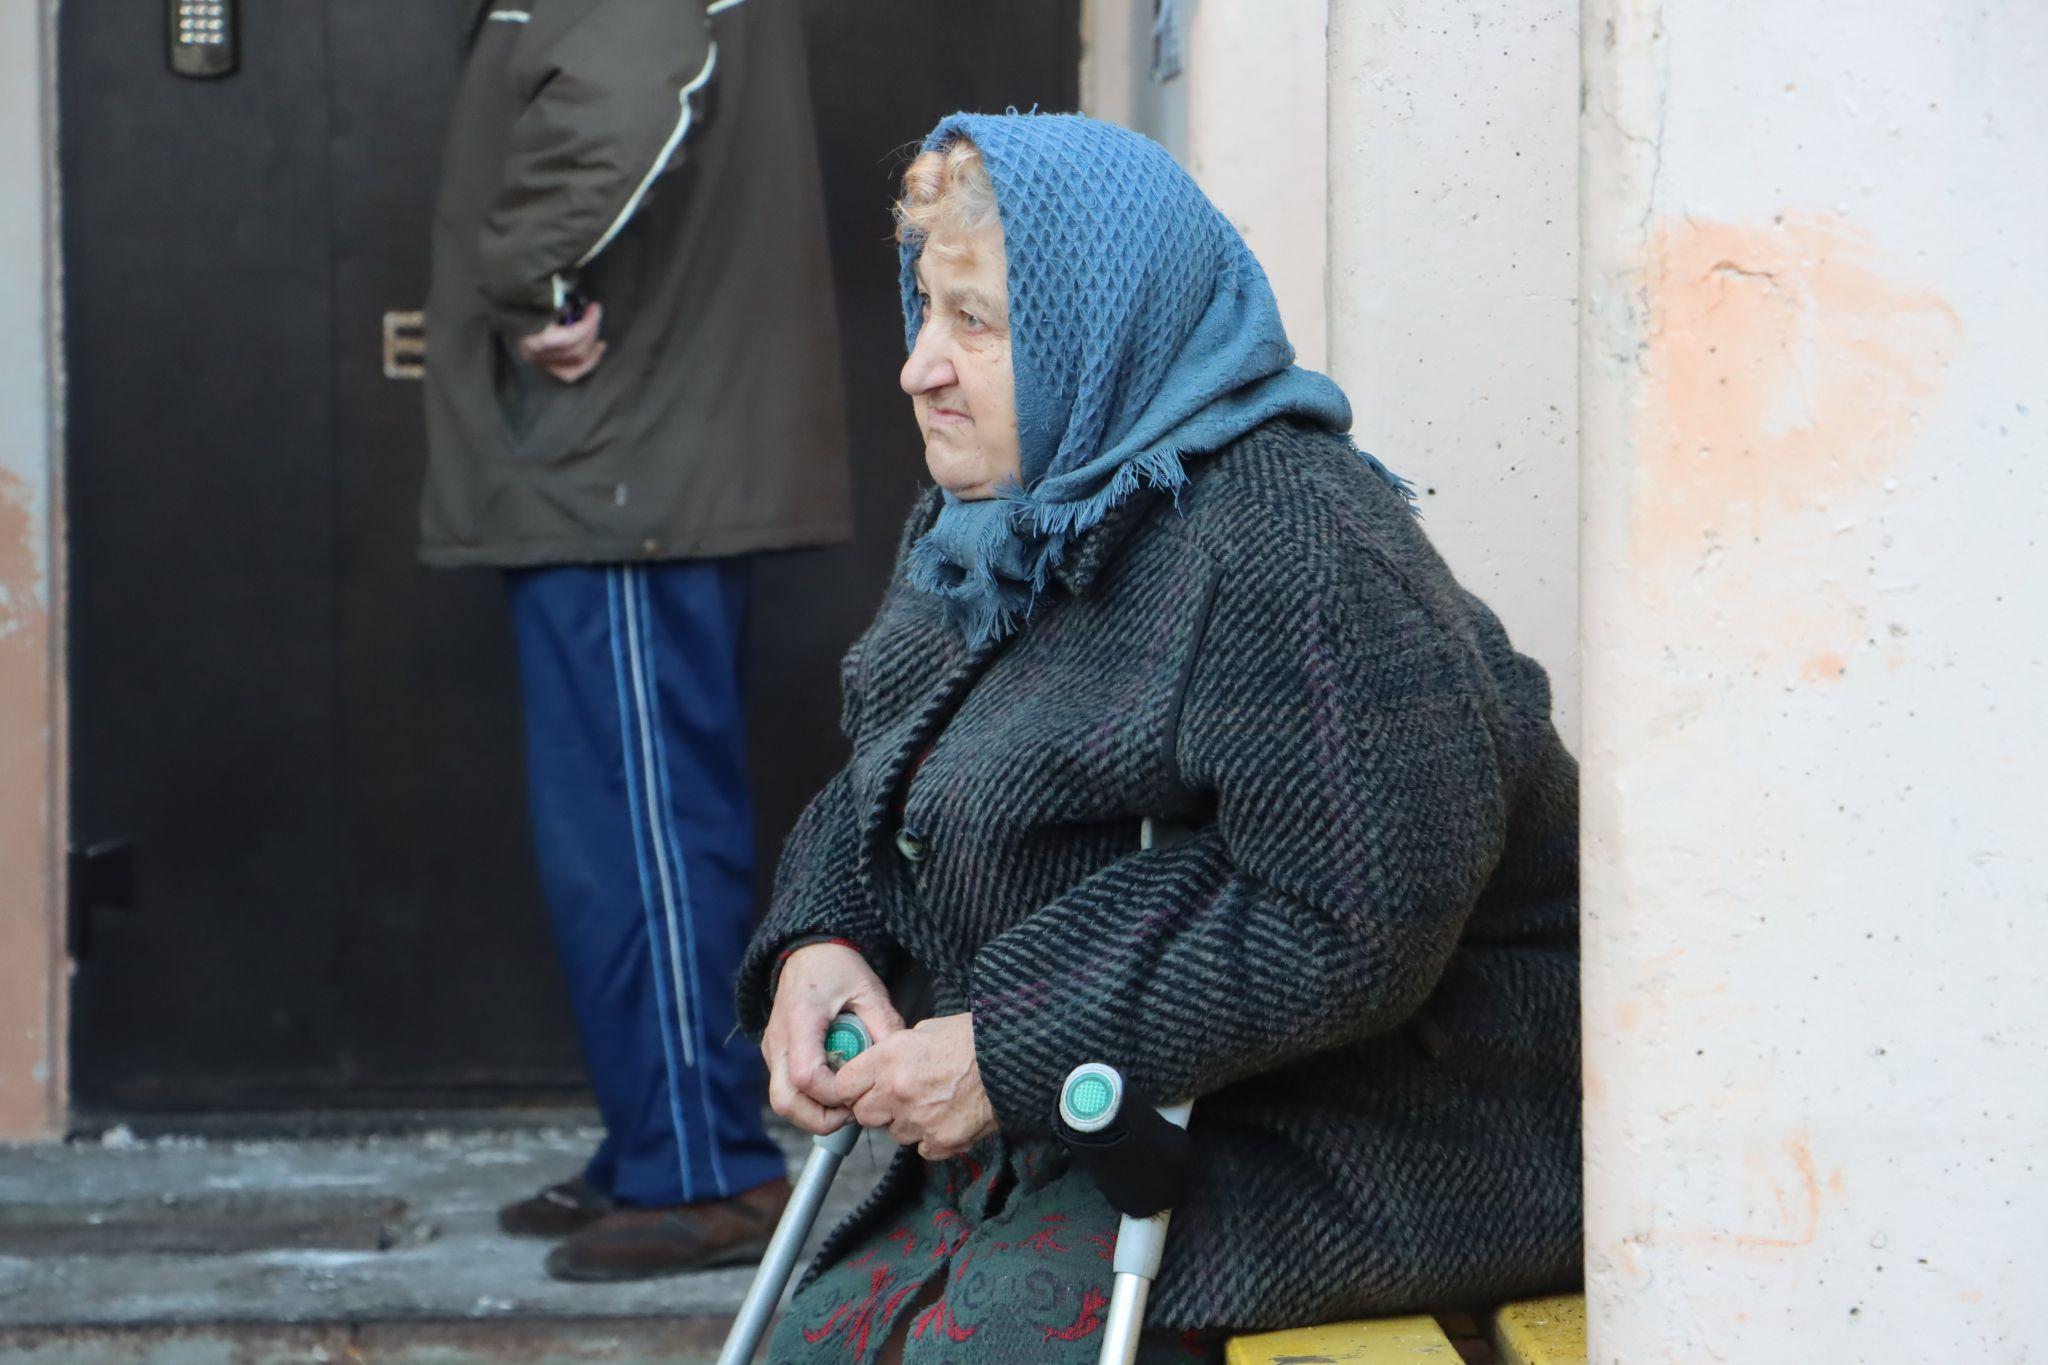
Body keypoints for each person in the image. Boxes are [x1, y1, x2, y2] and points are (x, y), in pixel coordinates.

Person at [736, 113, 1581, 1361]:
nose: (918, 367)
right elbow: (890, 765)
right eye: (925, 310)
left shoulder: (1289, 539)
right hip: (1082, 1120)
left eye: (973, 323)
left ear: (1104, 328)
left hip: (1344, 1139)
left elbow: (1353, 918)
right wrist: (821, 937)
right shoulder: (993, 520)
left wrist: (1013, 1052)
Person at [419, 0, 851, 1281]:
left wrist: (531, 278)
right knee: (632, 826)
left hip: (620, 465)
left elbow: (622, 92)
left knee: (639, 834)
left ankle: (706, 1170)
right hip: (631, 462)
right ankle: (657, 1138)